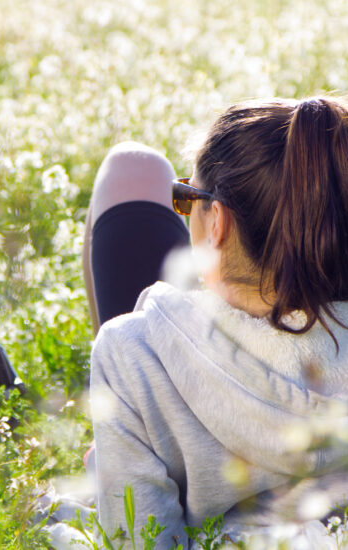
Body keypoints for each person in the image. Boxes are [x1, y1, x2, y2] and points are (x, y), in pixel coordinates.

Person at [84, 97, 348, 548]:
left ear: (218, 222)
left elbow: (137, 540)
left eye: (186, 199)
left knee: (130, 167)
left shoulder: (131, 350)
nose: (183, 209)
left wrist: (109, 464)